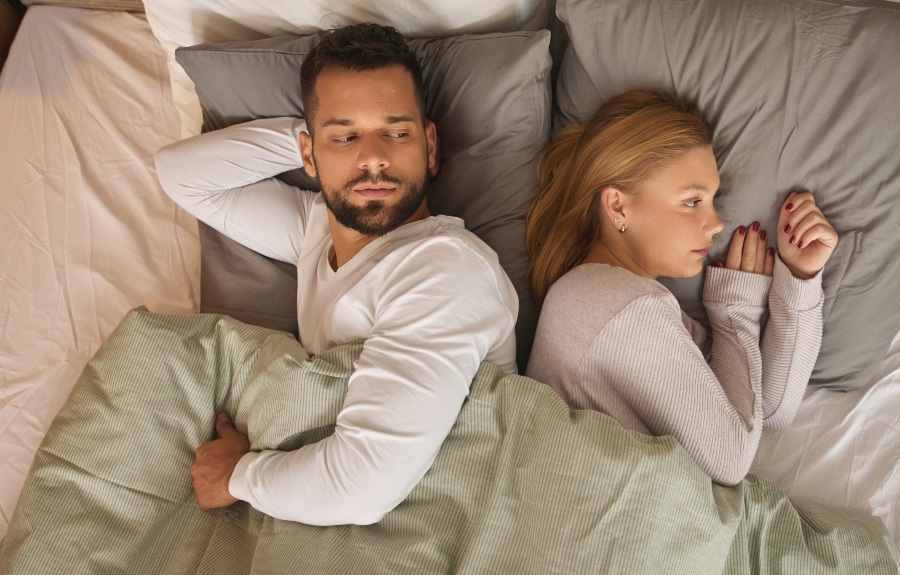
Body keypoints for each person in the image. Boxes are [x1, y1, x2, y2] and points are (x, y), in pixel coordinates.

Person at [155, 23, 518, 525]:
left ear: (430, 147)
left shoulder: (445, 267)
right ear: (308, 153)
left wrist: (238, 475)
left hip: (436, 516)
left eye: (396, 132)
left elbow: (362, 486)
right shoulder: (315, 233)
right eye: (346, 135)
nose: (373, 157)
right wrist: (314, 145)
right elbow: (182, 175)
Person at [524, 90, 837, 486]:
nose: (717, 223)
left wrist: (799, 276)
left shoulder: (609, 295)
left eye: (712, 199)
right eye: (692, 202)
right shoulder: (625, 306)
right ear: (618, 206)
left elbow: (768, 409)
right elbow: (734, 456)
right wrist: (733, 316)